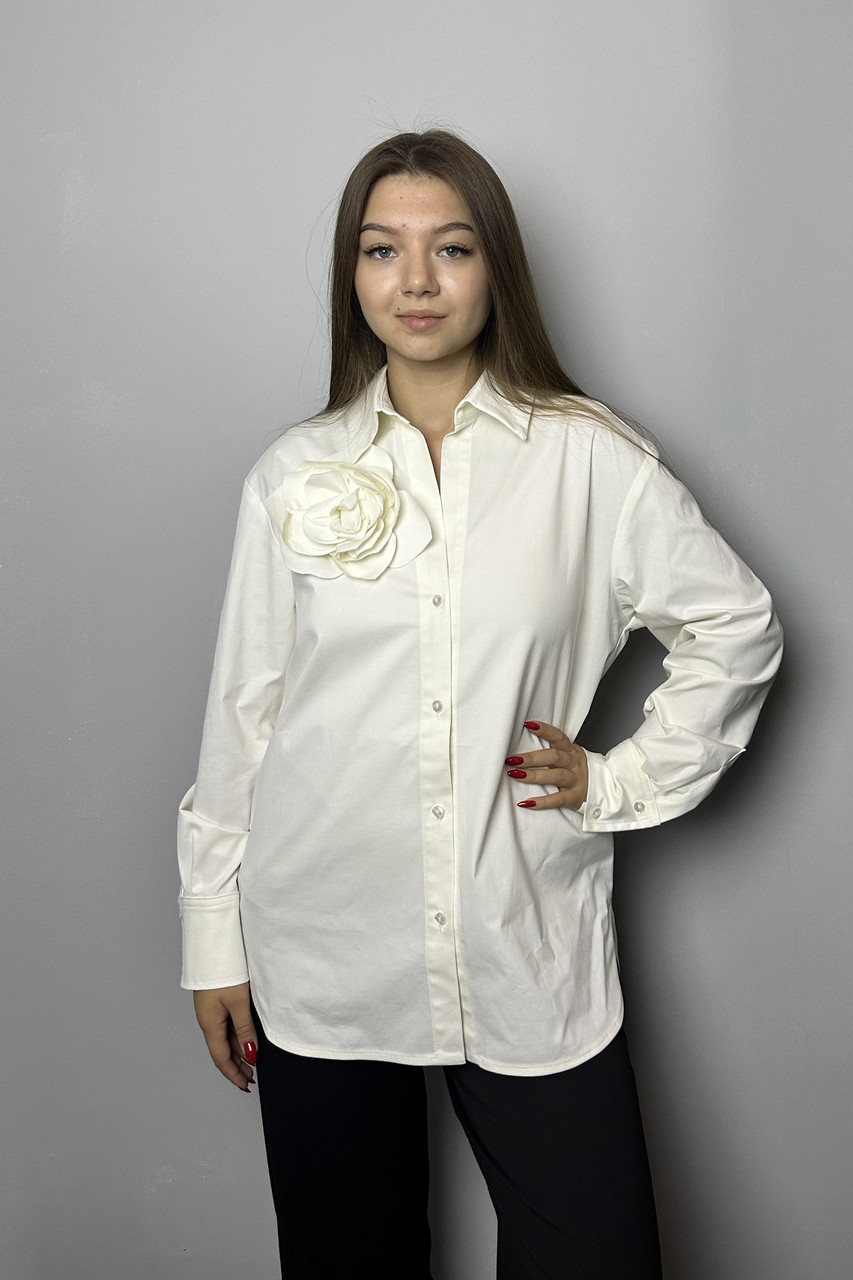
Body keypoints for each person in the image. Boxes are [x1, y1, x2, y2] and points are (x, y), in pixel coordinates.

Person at [178, 130, 782, 1279]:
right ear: (351, 275)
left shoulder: (591, 460)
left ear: (495, 265)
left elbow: (735, 624)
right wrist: (212, 933)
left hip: (522, 933)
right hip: (321, 941)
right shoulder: (292, 475)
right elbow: (243, 715)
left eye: (450, 248)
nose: (415, 280)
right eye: (381, 249)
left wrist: (617, 778)